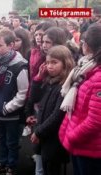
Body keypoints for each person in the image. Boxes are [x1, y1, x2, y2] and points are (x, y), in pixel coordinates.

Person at [0, 30, 29, 175]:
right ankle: (2, 163)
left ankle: (11, 167)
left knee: (12, 142)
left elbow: (22, 93)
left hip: (11, 114)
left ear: (11, 45)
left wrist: (7, 108)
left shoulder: (20, 66)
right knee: (2, 141)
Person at [59, 23, 101, 175]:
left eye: (83, 42)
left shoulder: (98, 77)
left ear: (88, 46)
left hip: (89, 147)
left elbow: (95, 121)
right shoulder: (87, 68)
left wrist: (72, 136)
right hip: (82, 142)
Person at [29, 45, 74, 175]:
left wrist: (38, 132)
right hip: (45, 134)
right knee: (45, 165)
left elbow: (57, 116)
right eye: (48, 62)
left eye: (54, 62)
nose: (49, 66)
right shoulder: (49, 81)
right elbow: (34, 98)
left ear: (66, 63)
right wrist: (38, 78)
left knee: (53, 168)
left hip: (54, 138)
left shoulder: (64, 87)